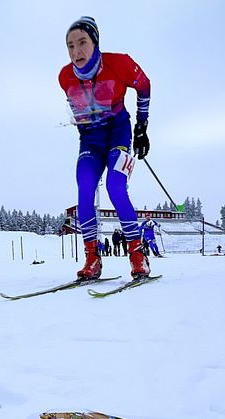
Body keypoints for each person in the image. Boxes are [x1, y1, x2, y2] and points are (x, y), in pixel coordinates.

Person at [59, 16, 151, 279]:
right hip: (90, 139)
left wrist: (142, 127)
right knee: (85, 189)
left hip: (118, 132)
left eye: (82, 42)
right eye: (70, 46)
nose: (76, 51)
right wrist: (84, 130)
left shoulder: (120, 63)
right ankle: (92, 258)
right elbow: (77, 108)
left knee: (115, 186)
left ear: (95, 41)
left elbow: (144, 86)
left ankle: (137, 252)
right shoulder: (64, 77)